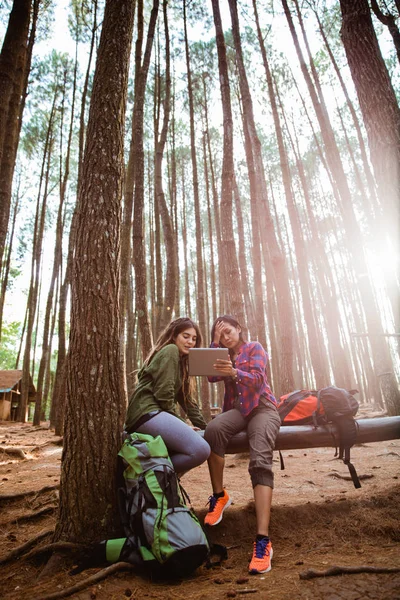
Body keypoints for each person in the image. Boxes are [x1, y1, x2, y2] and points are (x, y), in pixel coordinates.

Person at [203, 315, 281, 575]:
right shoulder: (222, 354)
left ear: (238, 329)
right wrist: (214, 344)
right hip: (238, 412)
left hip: (263, 408)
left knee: (259, 461)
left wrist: (235, 372)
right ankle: (219, 495)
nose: (226, 336)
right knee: (212, 429)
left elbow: (258, 379)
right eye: (220, 334)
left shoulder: (254, 348)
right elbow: (210, 378)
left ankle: (262, 541)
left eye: (228, 331)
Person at [124, 317, 210, 474]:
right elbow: (164, 395)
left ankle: (164, 486)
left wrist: (206, 427)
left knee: (204, 437)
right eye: (186, 336)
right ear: (174, 335)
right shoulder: (171, 350)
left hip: (155, 414)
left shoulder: (181, 363)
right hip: (146, 412)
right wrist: (183, 423)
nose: (190, 342)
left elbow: (187, 401)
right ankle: (144, 473)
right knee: (200, 450)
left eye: (194, 339)